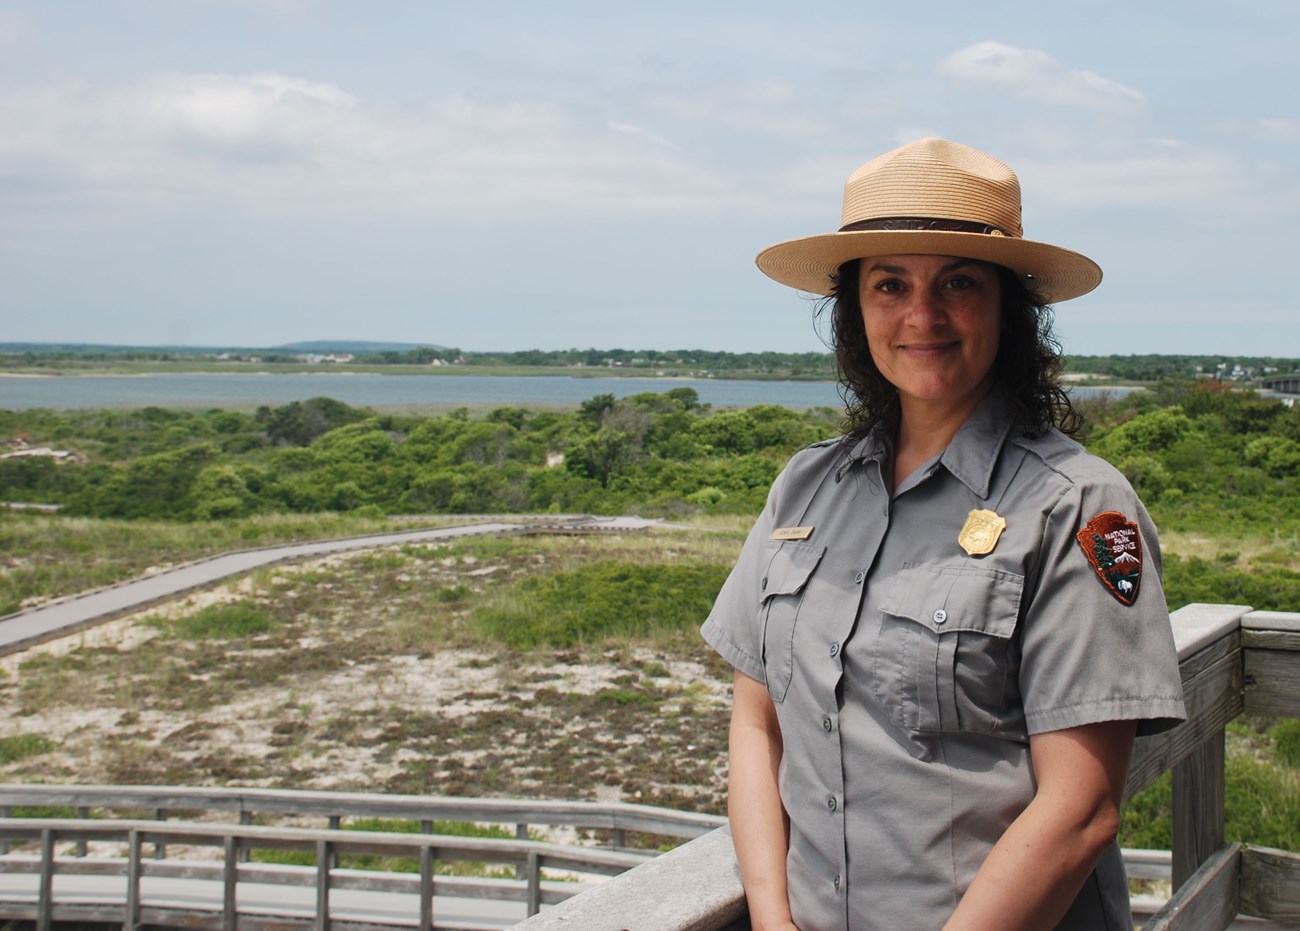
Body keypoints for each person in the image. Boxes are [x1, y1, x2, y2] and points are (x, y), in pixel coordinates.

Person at [701, 138, 1186, 931]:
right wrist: (771, 915)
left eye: (958, 282)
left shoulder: (1077, 504)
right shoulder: (806, 486)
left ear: (1008, 307)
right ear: (855, 309)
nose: (922, 315)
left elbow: (1081, 807)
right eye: (889, 284)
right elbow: (757, 723)